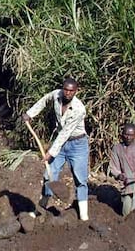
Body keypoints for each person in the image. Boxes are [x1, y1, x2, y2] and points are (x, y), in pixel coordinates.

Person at [22, 77, 89, 221]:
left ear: (76, 91)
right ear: (62, 88)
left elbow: (65, 132)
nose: (67, 93)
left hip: (78, 144)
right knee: (49, 174)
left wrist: (51, 152)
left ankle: (84, 215)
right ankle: (41, 208)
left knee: (80, 178)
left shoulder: (79, 109)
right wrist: (30, 113)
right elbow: (44, 100)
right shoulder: (56, 94)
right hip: (61, 143)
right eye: (65, 89)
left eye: (71, 91)